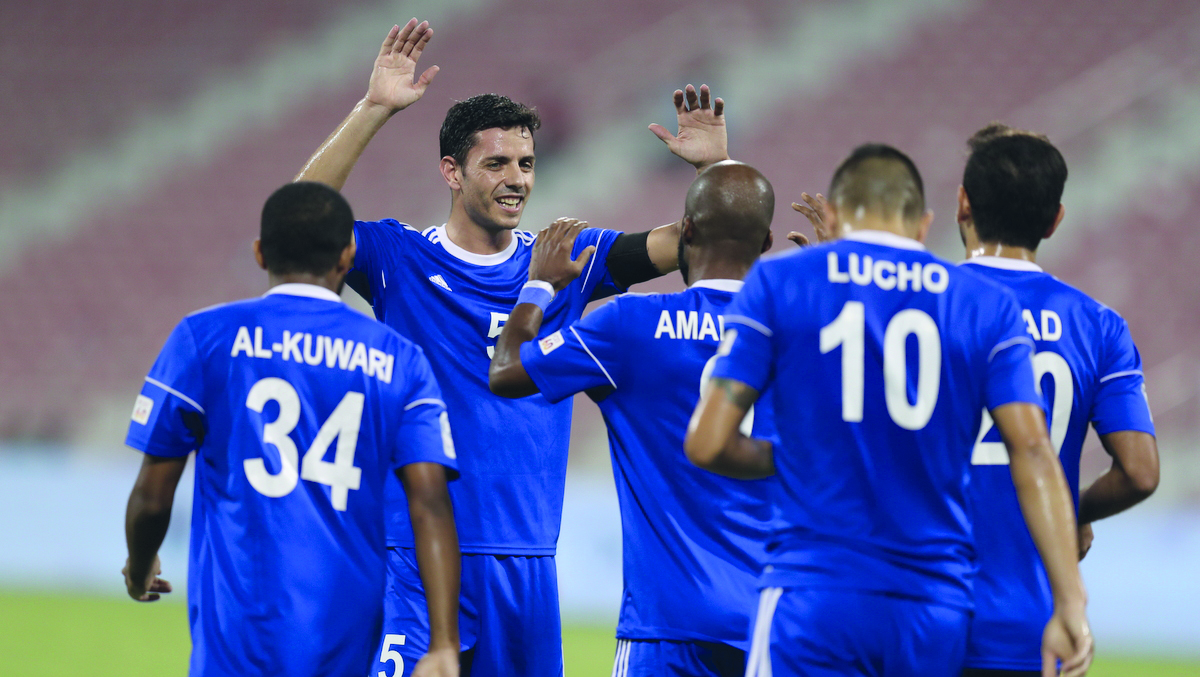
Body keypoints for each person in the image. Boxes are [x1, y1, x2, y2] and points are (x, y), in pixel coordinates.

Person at [293, 18, 729, 675]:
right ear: (452, 170)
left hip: (527, 565)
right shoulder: (397, 257)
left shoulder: (569, 259)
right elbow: (299, 219)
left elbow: (703, 242)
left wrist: (716, 170)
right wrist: (374, 107)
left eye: (525, 163)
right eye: (496, 162)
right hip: (416, 557)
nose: (517, 178)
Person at [685, 145, 1093, 677]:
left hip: (813, 592)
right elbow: (1034, 451)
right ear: (924, 225)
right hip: (933, 607)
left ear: (830, 215)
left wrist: (798, 456)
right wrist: (1069, 602)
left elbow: (707, 441)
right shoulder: (984, 305)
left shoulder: (781, 281)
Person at [122, 182, 461, 677]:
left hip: (235, 640)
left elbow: (153, 496)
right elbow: (430, 503)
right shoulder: (399, 361)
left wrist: (139, 562)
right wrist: (443, 644)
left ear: (260, 253)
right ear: (348, 255)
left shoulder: (204, 337)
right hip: (342, 637)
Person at [488, 162, 778, 677]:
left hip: (668, 628)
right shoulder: (802, 333)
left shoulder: (631, 325)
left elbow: (507, 372)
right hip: (777, 628)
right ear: (768, 241)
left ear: (686, 229)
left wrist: (538, 287)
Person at [951, 124, 1158, 676]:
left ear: (962, 202)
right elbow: (1140, 472)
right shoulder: (1099, 327)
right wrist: (1070, 511)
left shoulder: (917, 309)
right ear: (1054, 219)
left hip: (923, 615)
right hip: (1033, 621)